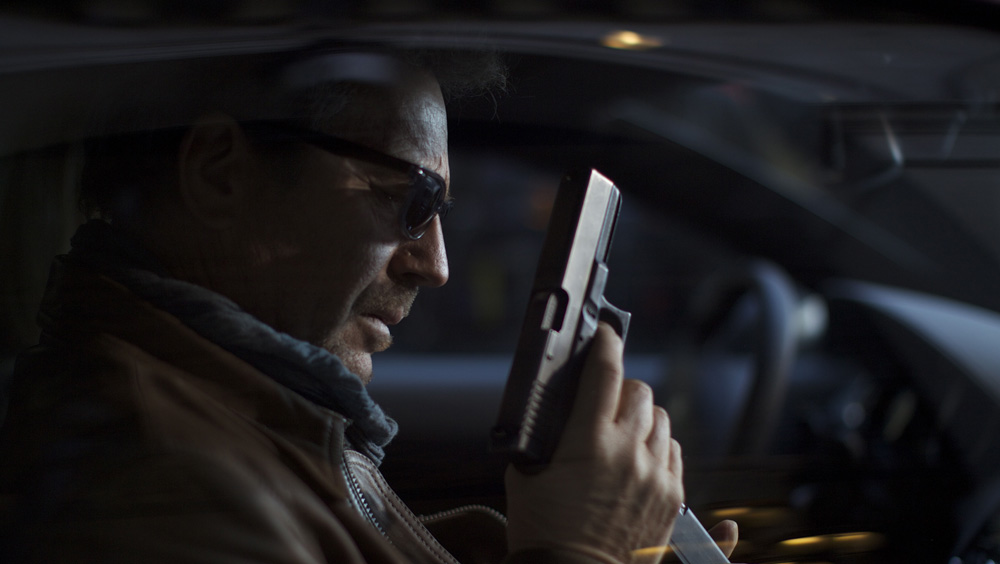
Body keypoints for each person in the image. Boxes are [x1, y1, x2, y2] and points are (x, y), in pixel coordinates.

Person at [0, 47, 738, 563]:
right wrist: (582, 549)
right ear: (220, 173)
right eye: (411, 202)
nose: (436, 266)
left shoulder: (257, 416)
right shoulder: (154, 482)